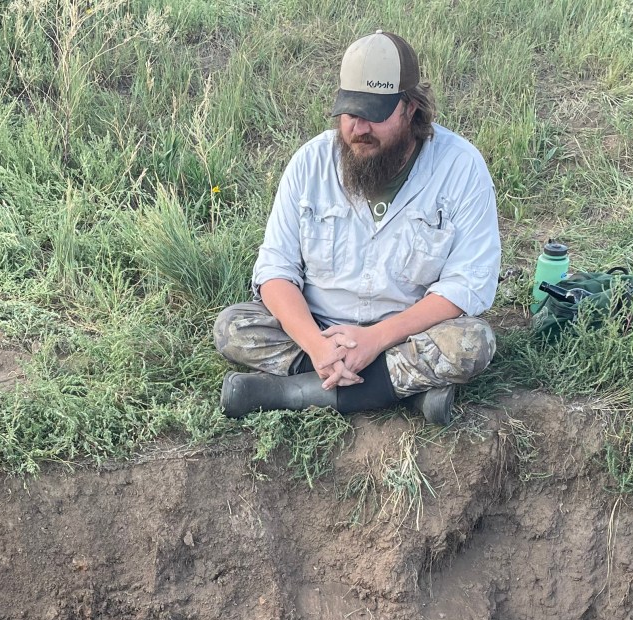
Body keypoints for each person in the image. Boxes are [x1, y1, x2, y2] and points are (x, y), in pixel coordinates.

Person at [214, 30, 500, 426]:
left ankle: (292, 392)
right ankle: (404, 393)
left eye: (374, 114)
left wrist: (377, 339)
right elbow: (276, 271)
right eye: (350, 111)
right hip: (318, 331)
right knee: (233, 327)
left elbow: (467, 283)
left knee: (471, 342)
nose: (358, 128)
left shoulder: (461, 168)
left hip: (405, 335)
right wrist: (317, 346)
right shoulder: (310, 163)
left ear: (411, 109)